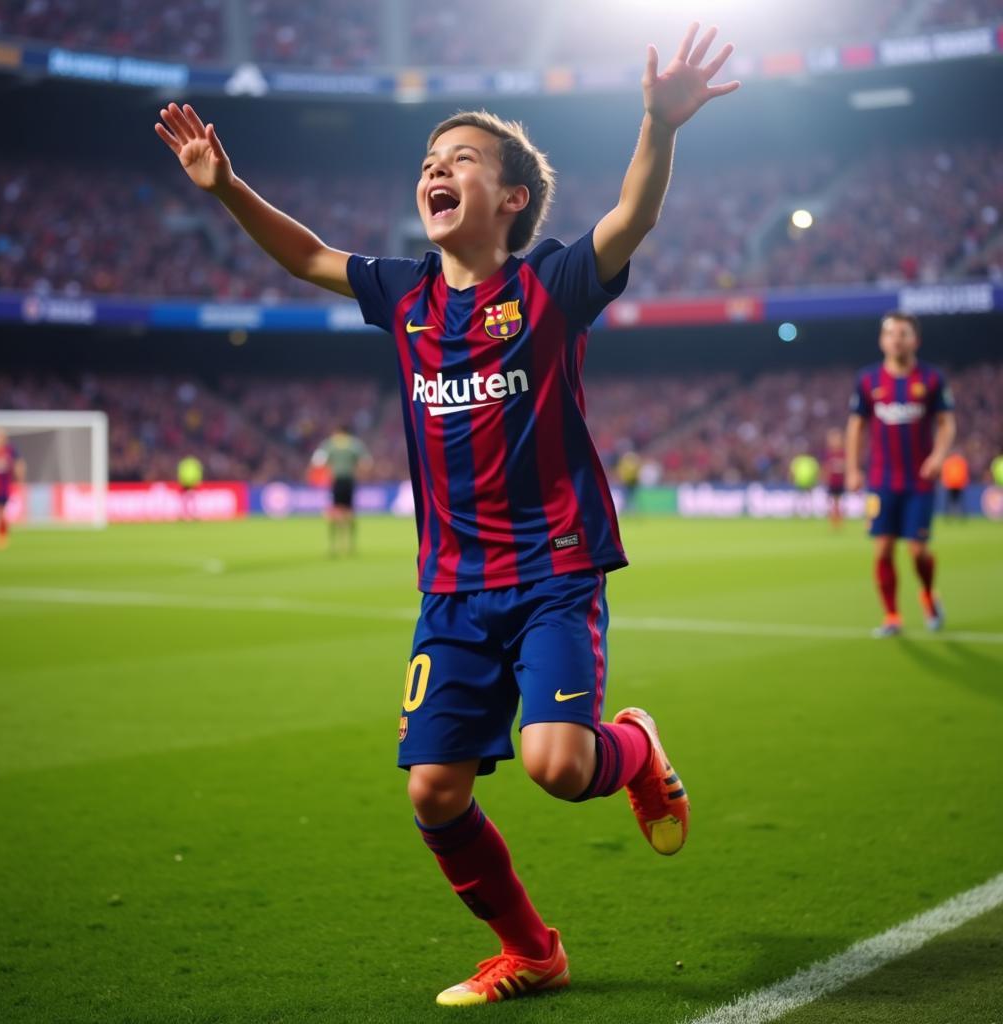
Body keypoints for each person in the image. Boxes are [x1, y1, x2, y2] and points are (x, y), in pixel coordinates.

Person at [155, 22, 737, 1005]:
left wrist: (657, 124)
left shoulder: (549, 285)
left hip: (553, 572)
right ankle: (533, 950)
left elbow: (630, 217)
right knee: (433, 790)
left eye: (461, 159)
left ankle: (634, 745)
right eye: (429, 162)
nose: (437, 169)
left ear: (509, 199)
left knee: (558, 764)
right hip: (454, 590)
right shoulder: (406, 294)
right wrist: (225, 186)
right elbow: (306, 256)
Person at [845, 312, 956, 638]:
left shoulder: (932, 379)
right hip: (880, 482)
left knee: (918, 551)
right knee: (882, 548)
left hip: (919, 480)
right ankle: (892, 615)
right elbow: (856, 426)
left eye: (903, 333)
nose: (897, 339)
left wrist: (938, 456)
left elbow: (947, 422)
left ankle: (928, 595)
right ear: (882, 341)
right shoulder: (868, 380)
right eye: (891, 333)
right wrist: (853, 469)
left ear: (915, 340)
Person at [310, 425, 371, 555]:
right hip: (349, 480)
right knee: (349, 512)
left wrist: (328, 468)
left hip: (336, 481)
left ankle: (333, 546)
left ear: (337, 432)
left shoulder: (330, 444)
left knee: (334, 512)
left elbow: (317, 462)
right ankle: (350, 545)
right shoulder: (355, 444)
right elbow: (366, 462)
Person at [823, 427, 847, 528]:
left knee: (839, 502)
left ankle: (839, 521)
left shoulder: (844, 453)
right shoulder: (828, 454)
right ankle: (833, 521)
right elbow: (826, 468)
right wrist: (825, 478)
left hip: (840, 482)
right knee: (831, 502)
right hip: (831, 482)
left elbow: (847, 467)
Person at [941, 451, 969, 519]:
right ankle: (954, 517)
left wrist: (945, 482)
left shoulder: (949, 462)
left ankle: (951, 517)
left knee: (952, 502)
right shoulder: (961, 462)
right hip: (956, 484)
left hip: (953, 484)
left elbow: (945, 473)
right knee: (956, 502)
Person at [176, 454, 204, 521]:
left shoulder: (184, 463)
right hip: (188, 482)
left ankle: (191, 514)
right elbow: (198, 472)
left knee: (190, 499)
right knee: (188, 499)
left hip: (188, 482)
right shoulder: (193, 463)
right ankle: (187, 514)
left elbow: (180, 473)